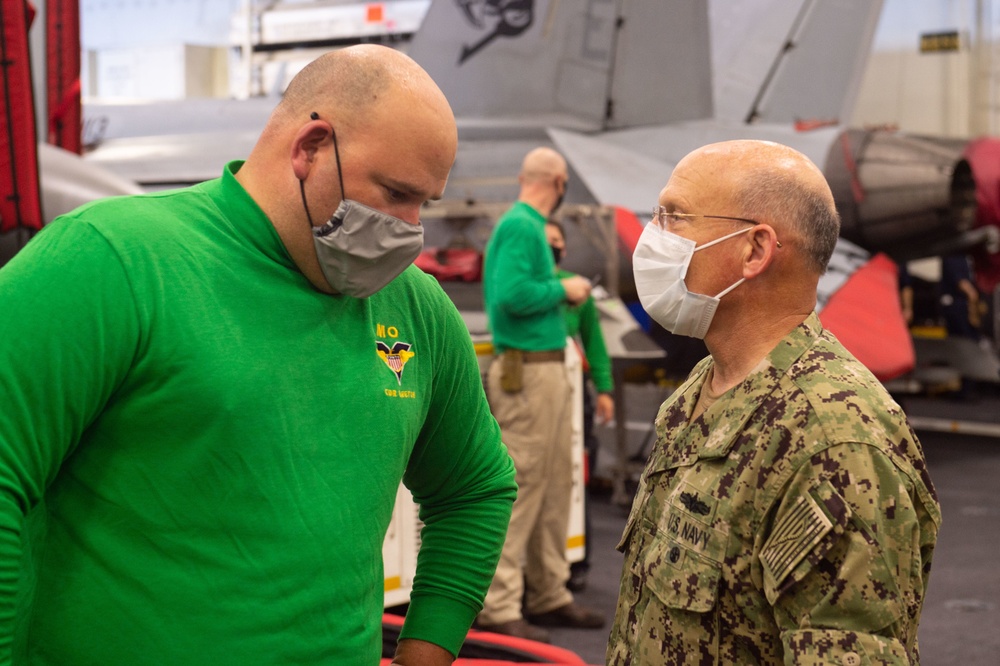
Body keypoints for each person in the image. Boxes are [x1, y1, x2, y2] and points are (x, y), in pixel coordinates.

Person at [0, 45, 517, 666]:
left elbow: (476, 487)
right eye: (396, 193)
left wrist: (425, 651)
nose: (410, 230)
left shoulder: (416, 310)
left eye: (424, 205)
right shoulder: (110, 261)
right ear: (310, 147)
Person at [608, 140, 941, 664]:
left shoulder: (834, 442)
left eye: (674, 217)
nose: (653, 236)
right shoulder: (700, 390)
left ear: (755, 251)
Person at [478, 147, 604, 642]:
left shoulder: (523, 227)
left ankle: (548, 593)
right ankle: (499, 604)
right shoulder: (523, 226)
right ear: (559, 180)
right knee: (525, 487)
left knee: (551, 488)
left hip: (543, 374)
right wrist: (563, 289)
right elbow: (511, 296)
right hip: (529, 375)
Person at [544, 218, 614, 592]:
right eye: (545, 242)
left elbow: (594, 341)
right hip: (542, 389)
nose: (551, 247)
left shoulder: (578, 290)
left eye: (556, 241)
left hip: (576, 393)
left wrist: (604, 389)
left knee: (577, 477)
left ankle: (579, 561)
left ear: (564, 249)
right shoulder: (534, 289)